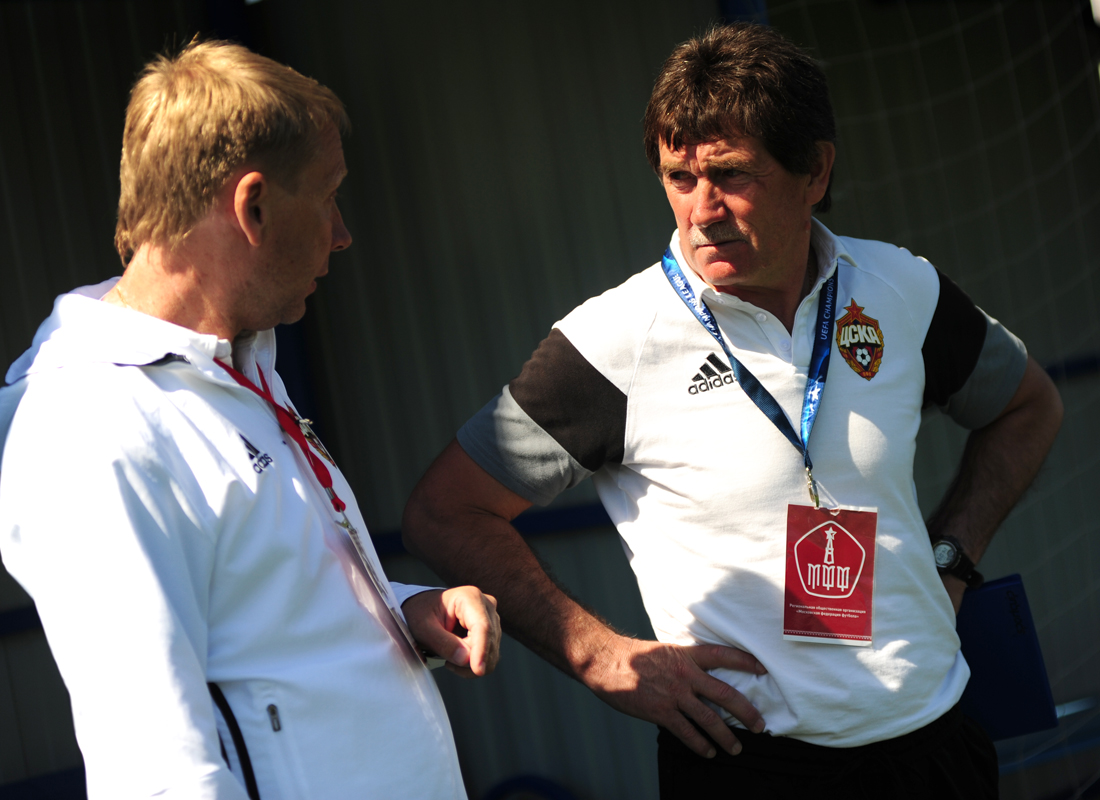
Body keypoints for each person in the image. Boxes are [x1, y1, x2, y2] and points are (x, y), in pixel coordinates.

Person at [401, 23, 1063, 799]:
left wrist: (953, 555)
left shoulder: (899, 287)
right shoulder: (615, 341)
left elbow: (1028, 407)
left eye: (730, 175)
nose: (702, 210)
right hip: (750, 764)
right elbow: (445, 512)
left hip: (936, 742)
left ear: (815, 169)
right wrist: (600, 655)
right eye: (679, 178)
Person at [0, 39, 499, 800]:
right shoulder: (90, 428)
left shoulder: (232, 362)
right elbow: (157, 770)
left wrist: (403, 611)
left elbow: (263, 615)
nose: (342, 232)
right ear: (253, 206)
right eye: (328, 196)